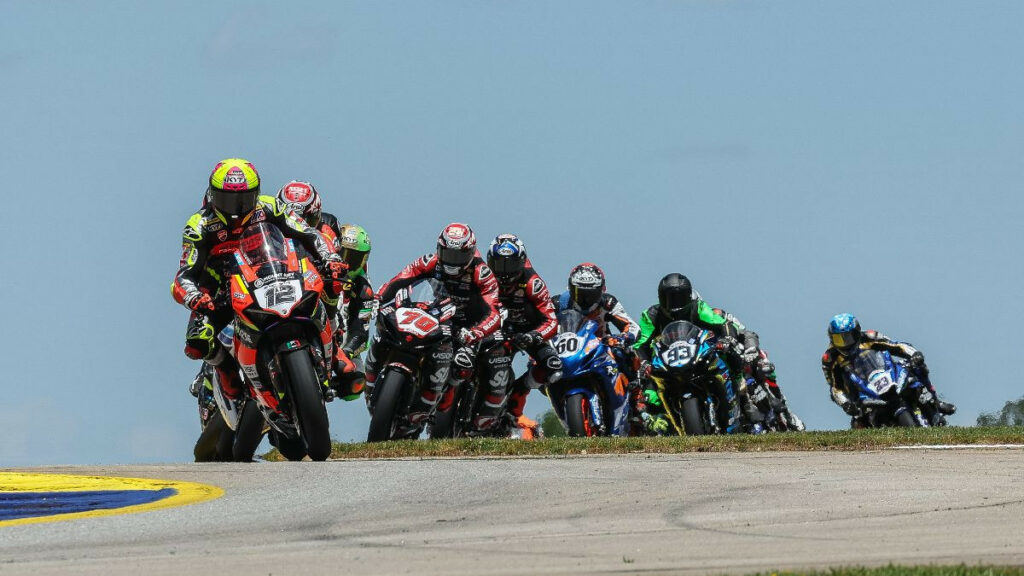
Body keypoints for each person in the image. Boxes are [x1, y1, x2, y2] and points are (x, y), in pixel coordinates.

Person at [172, 159, 346, 405]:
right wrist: (194, 296)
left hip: (273, 274)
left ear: (257, 193)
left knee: (325, 289)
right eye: (227, 199)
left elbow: (309, 234)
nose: (236, 208)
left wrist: (330, 258)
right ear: (212, 195)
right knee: (197, 343)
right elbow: (184, 274)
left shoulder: (271, 207)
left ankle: (329, 354)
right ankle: (227, 375)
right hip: (221, 289)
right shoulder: (198, 226)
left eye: (244, 199)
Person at [368, 223, 509, 432]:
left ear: (470, 252)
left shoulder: (482, 273)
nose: (452, 261)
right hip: (435, 315)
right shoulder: (429, 261)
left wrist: (475, 332)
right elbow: (400, 279)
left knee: (461, 362)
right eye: (447, 253)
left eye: (458, 256)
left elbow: (494, 312)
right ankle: (373, 383)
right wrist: (379, 299)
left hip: (468, 326)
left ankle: (437, 401)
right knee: (386, 333)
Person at [275, 182, 372, 400]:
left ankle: (326, 361)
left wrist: (346, 350)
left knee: (354, 382)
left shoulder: (328, 228)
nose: (297, 226)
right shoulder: (266, 223)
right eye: (290, 218)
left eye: (306, 220)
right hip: (276, 280)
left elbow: (361, 329)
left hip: (317, 296)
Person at [633, 273, 762, 433]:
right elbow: (640, 344)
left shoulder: (698, 307)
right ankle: (664, 421)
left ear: (688, 296)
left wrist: (728, 339)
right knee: (647, 383)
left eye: (678, 298)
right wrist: (644, 362)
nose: (673, 304)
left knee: (731, 353)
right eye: (668, 298)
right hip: (670, 361)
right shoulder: (651, 315)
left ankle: (740, 389)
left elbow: (722, 324)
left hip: (700, 353)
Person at [481, 234, 562, 432]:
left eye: (510, 265)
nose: (505, 272)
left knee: (554, 367)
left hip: (528, 331)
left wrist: (534, 336)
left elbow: (551, 320)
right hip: (496, 329)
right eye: (499, 264)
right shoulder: (482, 276)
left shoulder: (533, 283)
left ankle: (518, 394)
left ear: (522, 261)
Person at [552, 263, 640, 433]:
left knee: (626, 355)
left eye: (591, 293)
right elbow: (545, 324)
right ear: (570, 289)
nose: (585, 299)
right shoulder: (558, 303)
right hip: (569, 348)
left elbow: (632, 326)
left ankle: (636, 403)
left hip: (601, 344)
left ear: (601, 290)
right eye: (580, 293)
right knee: (541, 365)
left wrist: (622, 338)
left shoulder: (608, 302)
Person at [823, 313, 956, 426]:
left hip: (886, 374)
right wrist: (846, 403)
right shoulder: (830, 358)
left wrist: (914, 354)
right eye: (838, 339)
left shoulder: (870, 337)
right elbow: (835, 388)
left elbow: (897, 345)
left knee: (917, 368)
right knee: (859, 423)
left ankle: (935, 401)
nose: (845, 343)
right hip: (859, 391)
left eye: (848, 337)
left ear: (857, 332)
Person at [710, 307, 804, 431]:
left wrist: (751, 349)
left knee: (764, 369)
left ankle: (787, 413)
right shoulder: (693, 327)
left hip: (740, 359)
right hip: (717, 365)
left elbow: (747, 334)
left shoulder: (717, 315)